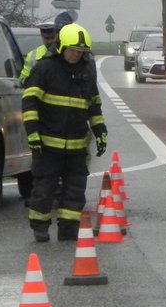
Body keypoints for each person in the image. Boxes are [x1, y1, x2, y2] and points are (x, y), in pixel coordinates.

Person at [23, 23, 107, 242]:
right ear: (61, 47)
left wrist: (100, 132)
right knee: (44, 189)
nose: (75, 55)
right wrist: (32, 135)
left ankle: (68, 230)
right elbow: (30, 103)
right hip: (48, 145)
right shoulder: (45, 69)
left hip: (77, 146)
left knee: (75, 191)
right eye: (72, 51)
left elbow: (94, 106)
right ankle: (40, 228)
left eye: (80, 52)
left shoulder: (87, 71)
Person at [20, 10, 75, 85]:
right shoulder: (32, 55)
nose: (49, 41)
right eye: (46, 38)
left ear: (57, 35)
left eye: (52, 38)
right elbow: (23, 78)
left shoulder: (65, 51)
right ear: (42, 37)